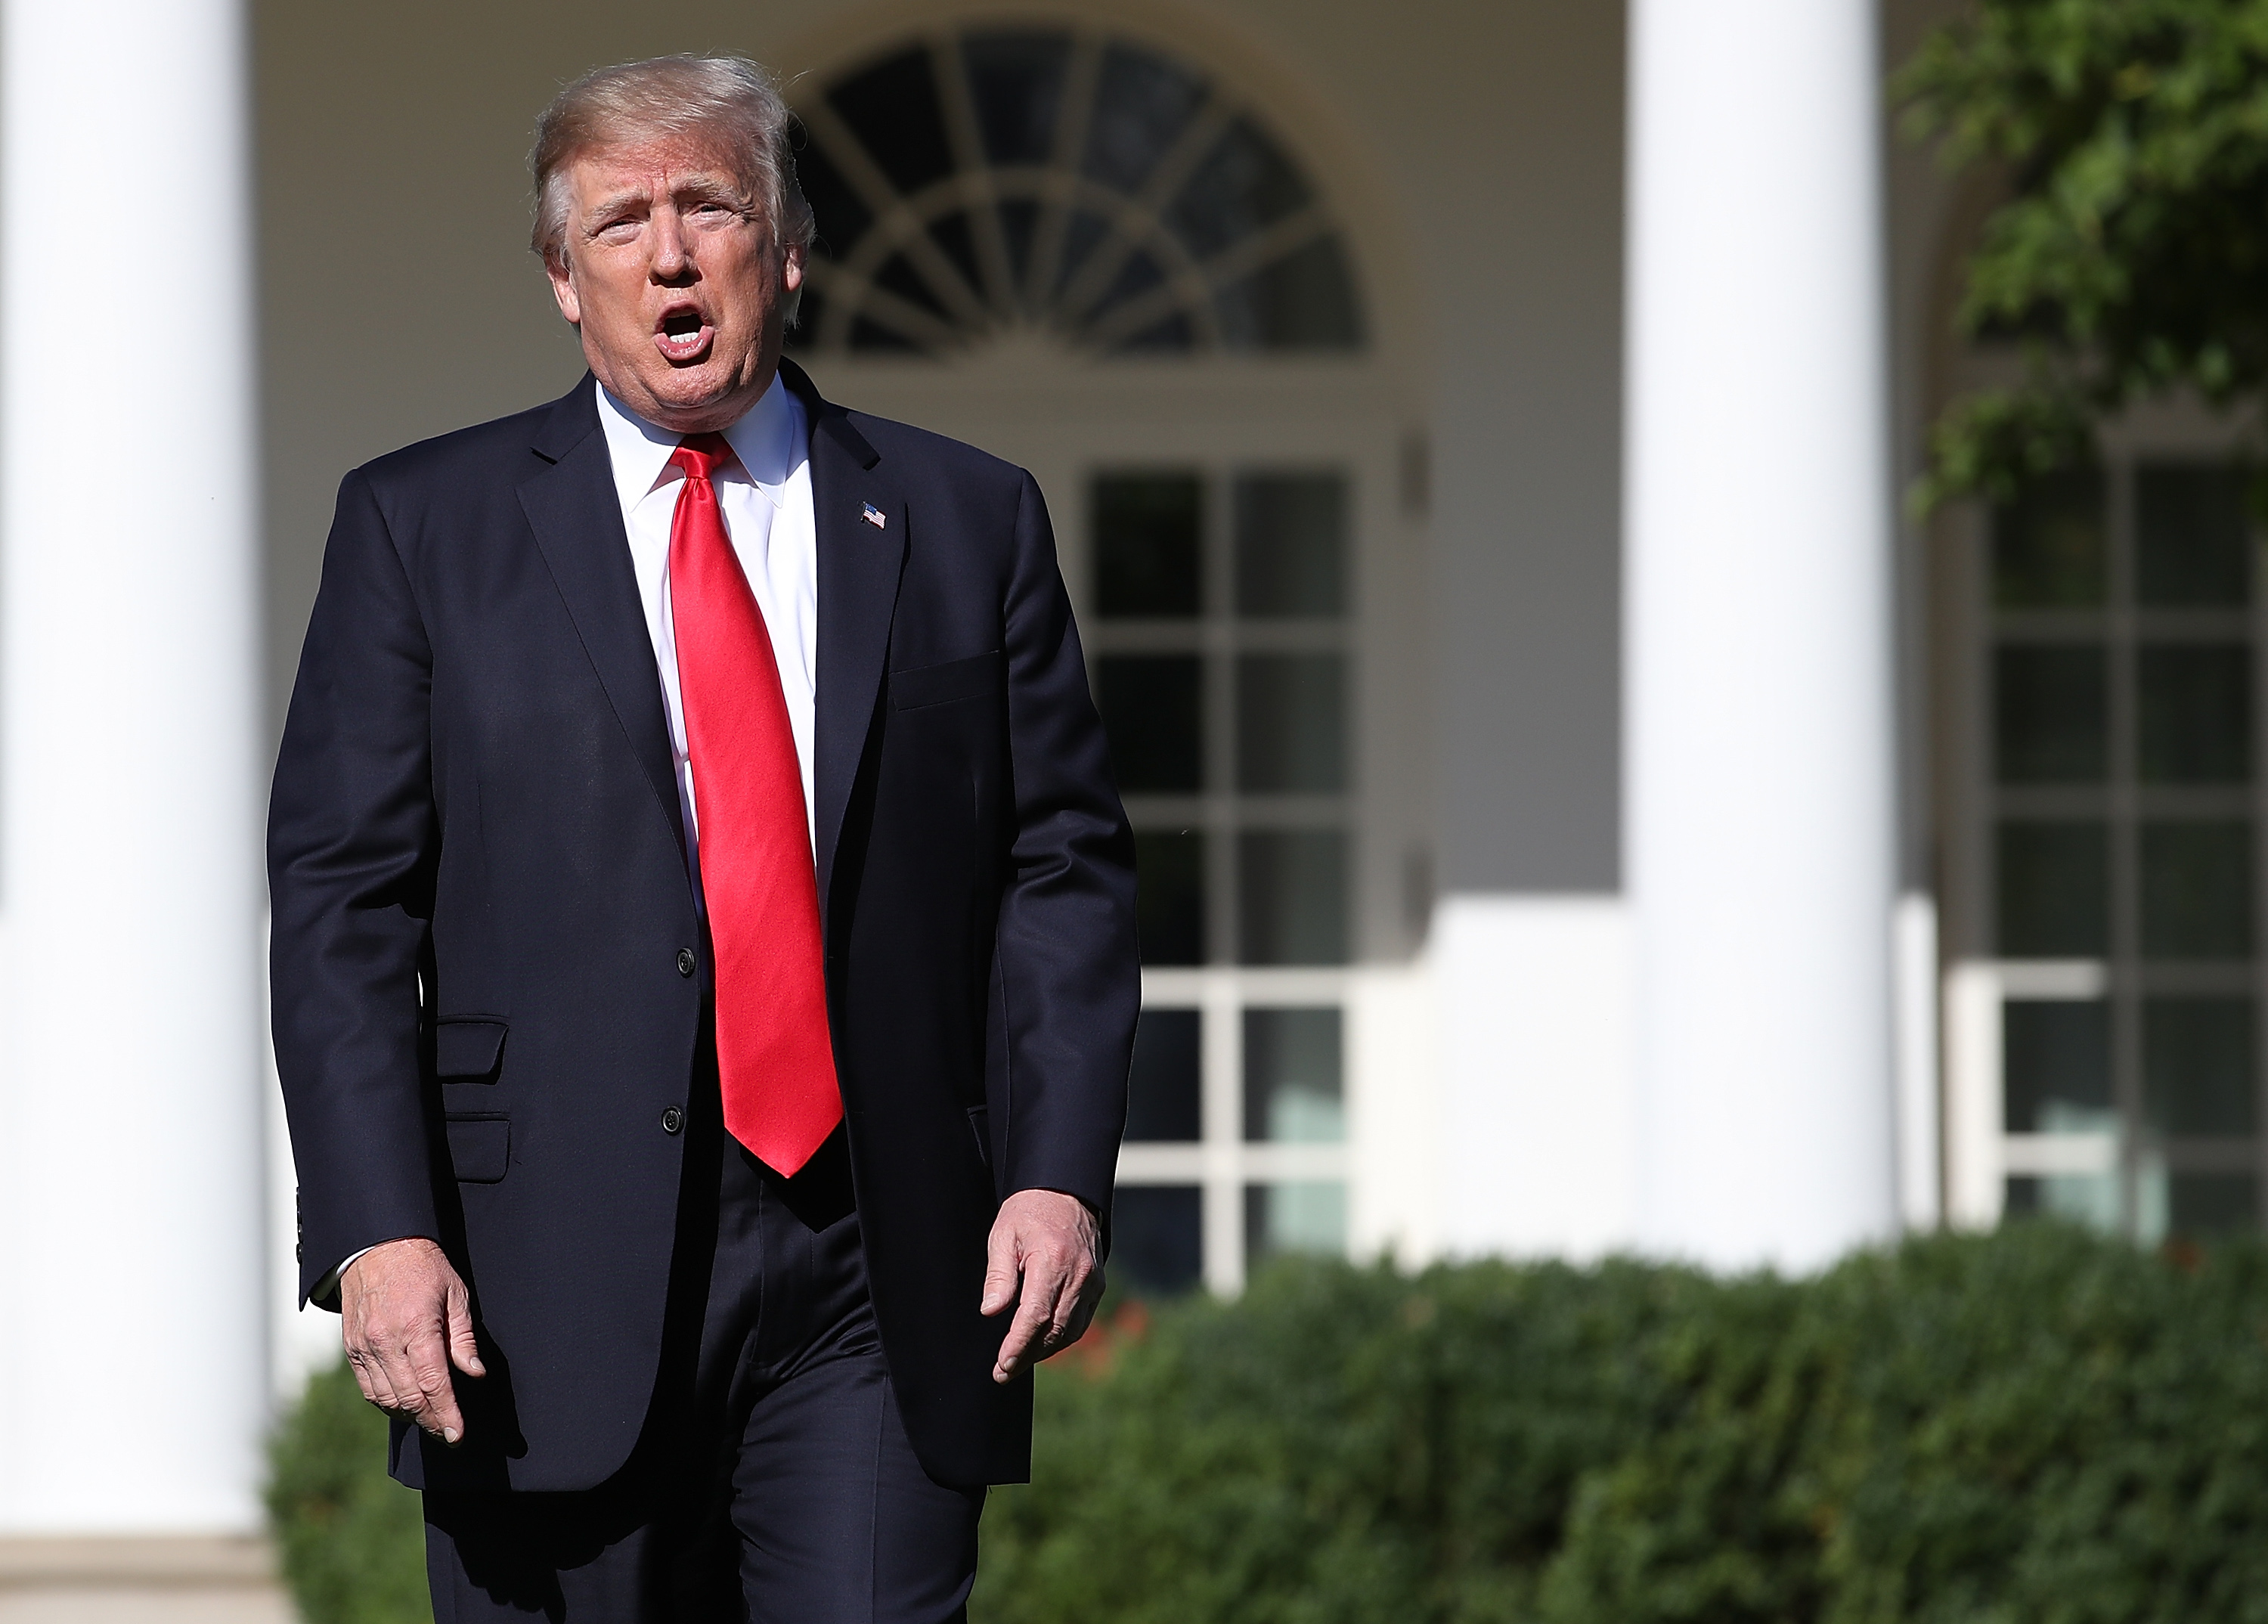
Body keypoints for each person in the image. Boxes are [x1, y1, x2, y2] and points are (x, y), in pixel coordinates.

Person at [268, 52, 1138, 1622]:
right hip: (538, 1274)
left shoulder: (967, 517)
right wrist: (376, 1229)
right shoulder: (421, 527)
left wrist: (1058, 1174)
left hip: (881, 1258)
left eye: (708, 209)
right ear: (563, 278)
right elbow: (344, 905)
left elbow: (1060, 870)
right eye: (619, 224)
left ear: (786, 250)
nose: (667, 255)